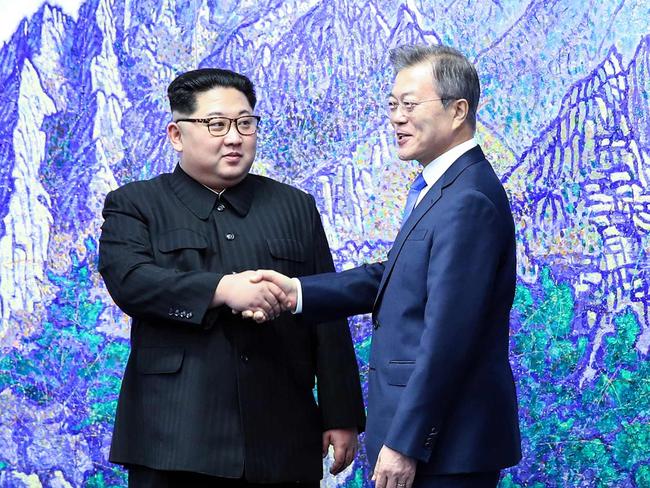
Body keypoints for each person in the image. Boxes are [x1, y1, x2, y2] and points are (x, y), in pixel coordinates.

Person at [249, 45, 521, 488]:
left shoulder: (467, 199)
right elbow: (396, 274)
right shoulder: (442, 187)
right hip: (432, 443)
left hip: (445, 452)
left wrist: (406, 444)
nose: (396, 118)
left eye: (409, 105)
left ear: (458, 111)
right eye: (392, 105)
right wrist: (296, 292)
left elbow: (448, 336)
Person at [98, 68, 365, 487]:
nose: (235, 137)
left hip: (282, 433)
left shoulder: (295, 206)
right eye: (216, 124)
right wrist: (222, 290)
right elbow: (131, 281)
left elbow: (326, 313)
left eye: (245, 123)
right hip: (174, 439)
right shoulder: (136, 204)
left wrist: (342, 413)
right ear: (176, 134)